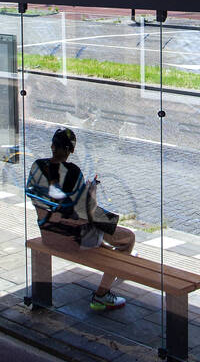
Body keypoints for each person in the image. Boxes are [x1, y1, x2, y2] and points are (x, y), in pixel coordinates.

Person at [27, 128, 135, 312]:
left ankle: (110, 255)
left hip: (48, 235)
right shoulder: (73, 171)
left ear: (52, 146)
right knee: (128, 238)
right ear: (71, 151)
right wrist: (92, 192)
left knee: (103, 230)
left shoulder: (37, 166)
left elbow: (52, 201)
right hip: (73, 240)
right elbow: (87, 213)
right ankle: (101, 295)